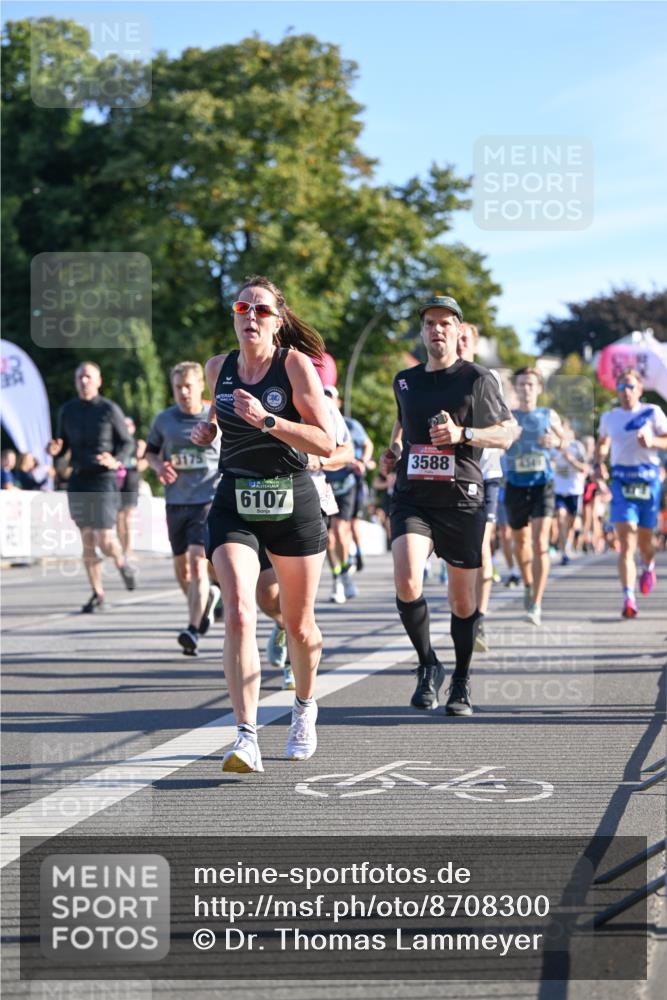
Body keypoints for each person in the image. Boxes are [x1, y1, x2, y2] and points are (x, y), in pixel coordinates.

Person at [192, 275, 334, 773]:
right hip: (236, 499)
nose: (251, 316)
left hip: (292, 501)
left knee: (298, 625)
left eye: (262, 310)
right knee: (237, 610)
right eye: (243, 307)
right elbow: (219, 421)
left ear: (278, 320)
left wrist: (268, 421)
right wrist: (208, 429)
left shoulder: (293, 365)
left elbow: (328, 441)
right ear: (233, 315)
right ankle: (246, 736)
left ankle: (303, 707)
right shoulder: (218, 368)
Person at [381, 295, 514, 717]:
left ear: (459, 332)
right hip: (413, 496)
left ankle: (460, 678)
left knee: (462, 603)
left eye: (444, 323)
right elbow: (403, 423)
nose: (436, 330)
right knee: (406, 579)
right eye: (429, 324)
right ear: (422, 333)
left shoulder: (477, 377)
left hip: (461, 500)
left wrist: (463, 434)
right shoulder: (404, 380)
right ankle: (427, 665)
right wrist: (395, 449)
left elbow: (507, 433)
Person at [263, 364, 354, 687]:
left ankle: (294, 663)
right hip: (261, 503)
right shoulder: (259, 394)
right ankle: (282, 624)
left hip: (309, 503)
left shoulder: (323, 404)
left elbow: (346, 451)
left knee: (297, 600)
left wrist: (318, 461)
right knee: (265, 593)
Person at [145, 362, 222, 655]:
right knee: (182, 571)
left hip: (208, 500)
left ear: (201, 386)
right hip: (176, 502)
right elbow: (150, 452)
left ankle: (192, 630)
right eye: (178, 387)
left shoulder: (216, 418)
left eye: (189, 386)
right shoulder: (164, 420)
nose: (184, 392)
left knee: (195, 561)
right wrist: (158, 466)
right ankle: (206, 601)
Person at [46, 361, 136, 612]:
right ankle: (98, 593)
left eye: (88, 377)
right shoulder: (67, 410)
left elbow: (127, 443)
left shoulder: (109, 409)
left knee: (105, 539)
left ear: (98, 381)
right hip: (79, 478)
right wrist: (54, 450)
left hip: (104, 478)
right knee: (87, 539)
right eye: (79, 378)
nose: (83, 381)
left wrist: (115, 460)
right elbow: (61, 446)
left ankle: (121, 561)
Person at [594, 368, 667, 617]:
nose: (626, 392)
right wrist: (600, 462)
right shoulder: (610, 417)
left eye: (630, 387)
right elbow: (602, 443)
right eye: (621, 387)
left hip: (648, 482)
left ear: (640, 389)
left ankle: (648, 564)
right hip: (622, 482)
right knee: (626, 543)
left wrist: (653, 442)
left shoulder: (652, 413)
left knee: (646, 542)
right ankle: (628, 597)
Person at [456, 322, 506, 653]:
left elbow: (503, 430)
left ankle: (478, 619)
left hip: (485, 475)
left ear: (474, 344)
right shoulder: (431, 377)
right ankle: (463, 610)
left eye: (465, 339)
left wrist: (465, 433)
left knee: (481, 550)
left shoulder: (487, 379)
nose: (458, 344)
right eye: (455, 338)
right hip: (450, 477)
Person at [504, 367, 566, 626]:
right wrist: (507, 436)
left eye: (531, 384)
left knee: (541, 543)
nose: (526, 389)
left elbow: (565, 440)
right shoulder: (508, 416)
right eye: (521, 384)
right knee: (521, 542)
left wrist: (556, 442)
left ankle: (536, 603)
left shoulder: (548, 414)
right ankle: (528, 583)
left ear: (539, 388)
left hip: (543, 484)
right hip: (516, 484)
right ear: (516, 388)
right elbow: (497, 439)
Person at [322, 385, 369, 603]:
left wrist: (363, 462)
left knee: (341, 531)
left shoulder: (349, 424)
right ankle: (338, 576)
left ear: (338, 402)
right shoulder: (312, 422)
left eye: (331, 397)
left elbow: (363, 445)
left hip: (346, 483)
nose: (327, 400)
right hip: (324, 486)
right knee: (328, 539)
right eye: (323, 397)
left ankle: (344, 574)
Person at [552, 419, 588, 565]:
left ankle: (567, 544)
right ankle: (564, 551)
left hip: (574, 489)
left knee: (571, 523)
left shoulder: (577, 447)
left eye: (565, 431)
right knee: (561, 518)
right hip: (559, 489)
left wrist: (571, 460)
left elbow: (584, 468)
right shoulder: (554, 447)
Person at [116, 416, 148, 564]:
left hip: (131, 480)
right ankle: (123, 549)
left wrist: (143, 461)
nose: (126, 428)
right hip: (116, 481)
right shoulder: (115, 444)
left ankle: (128, 549)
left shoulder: (138, 443)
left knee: (127, 516)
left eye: (129, 425)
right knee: (119, 517)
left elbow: (146, 459)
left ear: (133, 427)